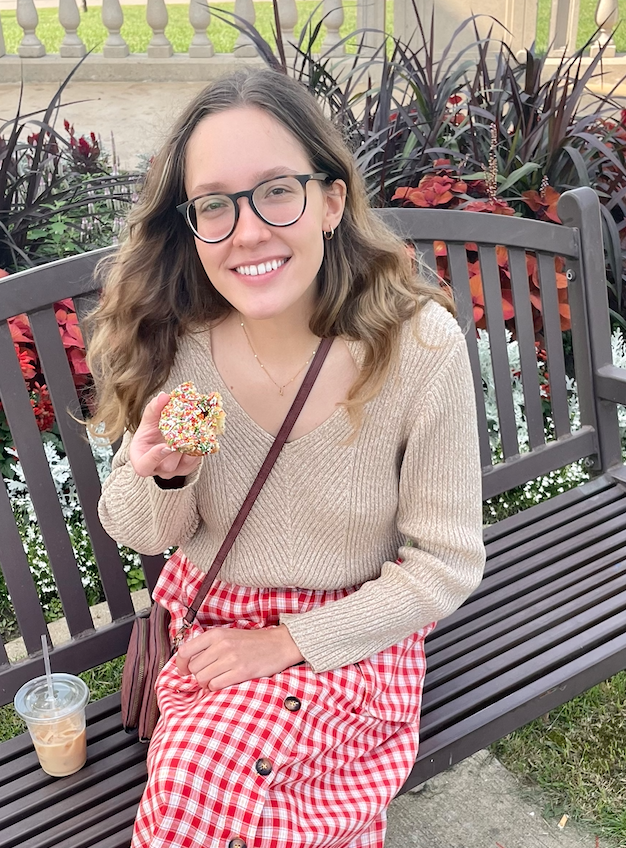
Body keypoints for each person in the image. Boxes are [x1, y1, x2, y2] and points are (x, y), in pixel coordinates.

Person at [87, 68, 486, 848]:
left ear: (332, 200)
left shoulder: (417, 350)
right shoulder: (178, 347)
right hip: (213, 629)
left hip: (355, 633)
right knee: (202, 779)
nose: (246, 231)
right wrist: (161, 470)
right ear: (191, 221)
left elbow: (443, 564)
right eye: (214, 204)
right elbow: (141, 530)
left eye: (276, 191)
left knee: (238, 793)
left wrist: (283, 644)